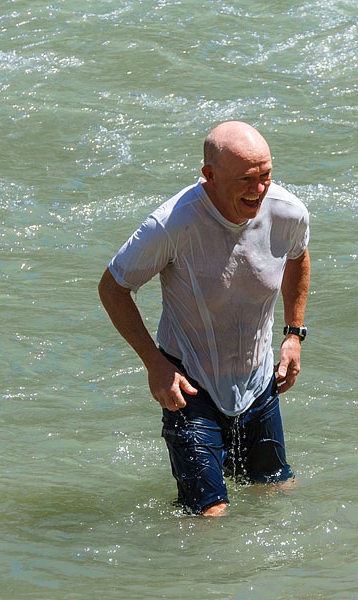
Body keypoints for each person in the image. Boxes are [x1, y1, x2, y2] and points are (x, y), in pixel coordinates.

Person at [98, 121, 310, 516]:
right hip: (189, 384)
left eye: (266, 175)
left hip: (257, 377)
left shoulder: (288, 212)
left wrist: (293, 334)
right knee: (209, 517)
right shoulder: (172, 224)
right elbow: (113, 287)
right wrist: (155, 365)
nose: (259, 190)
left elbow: (297, 255)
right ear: (209, 176)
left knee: (277, 496)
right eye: (247, 179)